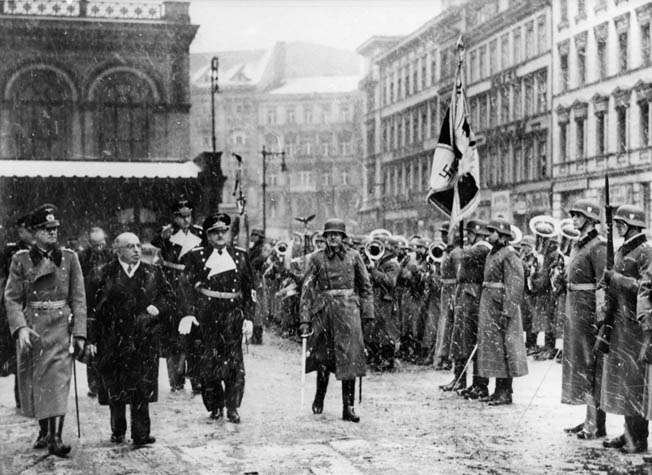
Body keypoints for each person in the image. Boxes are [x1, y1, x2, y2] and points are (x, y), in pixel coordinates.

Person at [4, 204, 86, 457]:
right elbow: (12, 298)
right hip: (34, 327)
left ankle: (56, 437)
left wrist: (80, 333)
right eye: (46, 229)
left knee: (59, 381)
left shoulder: (70, 258)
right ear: (34, 232)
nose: (53, 233)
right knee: (37, 381)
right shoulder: (21, 260)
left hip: (61, 325)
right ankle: (44, 429)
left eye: (55, 228)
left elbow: (79, 298)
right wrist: (20, 328)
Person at [87, 232, 173, 446]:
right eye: (130, 246)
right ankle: (118, 430)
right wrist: (92, 339)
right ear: (118, 250)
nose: (136, 250)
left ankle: (141, 433)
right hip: (113, 339)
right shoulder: (103, 274)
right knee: (115, 386)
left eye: (137, 246)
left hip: (144, 338)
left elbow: (170, 298)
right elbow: (91, 309)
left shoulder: (153, 272)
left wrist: (158, 307)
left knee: (142, 387)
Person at [178, 213, 254, 423]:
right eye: (215, 232)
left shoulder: (240, 256)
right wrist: (188, 313)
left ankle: (232, 407)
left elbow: (250, 289)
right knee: (208, 364)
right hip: (207, 316)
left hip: (232, 315)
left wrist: (249, 317)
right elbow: (185, 287)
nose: (220, 235)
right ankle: (215, 406)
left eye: (224, 231)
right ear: (208, 236)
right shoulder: (196, 256)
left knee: (234, 364)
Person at [299, 218, 373, 422]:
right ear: (325, 237)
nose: (333, 237)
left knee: (349, 360)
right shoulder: (316, 258)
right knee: (324, 359)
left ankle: (347, 407)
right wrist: (305, 320)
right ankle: (319, 396)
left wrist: (367, 314)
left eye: (337, 234)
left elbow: (366, 287)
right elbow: (306, 290)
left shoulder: (354, 257)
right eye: (330, 234)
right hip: (324, 313)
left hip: (349, 313)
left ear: (343, 237)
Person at [599, 205, 652, 453]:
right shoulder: (623, 250)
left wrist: (616, 279)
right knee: (623, 382)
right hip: (620, 325)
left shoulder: (645, 252)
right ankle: (628, 431)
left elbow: (644, 286)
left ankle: (638, 438)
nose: (617, 227)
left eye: (621, 223)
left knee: (634, 382)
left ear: (633, 225)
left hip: (636, 327)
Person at [561, 199, 607, 439]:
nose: (574, 219)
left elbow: (602, 282)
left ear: (590, 219)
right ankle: (588, 418)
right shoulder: (578, 244)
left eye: (578, 215)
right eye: (573, 215)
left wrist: (600, 315)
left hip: (588, 311)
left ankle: (596, 423)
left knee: (592, 366)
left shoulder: (597, 245)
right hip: (575, 310)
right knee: (581, 365)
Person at [152, 198, 204, 393]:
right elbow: (155, 242)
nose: (186, 220)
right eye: (182, 217)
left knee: (196, 335)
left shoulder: (199, 234)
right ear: (174, 218)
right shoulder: (167, 234)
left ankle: (197, 377)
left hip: (194, 287)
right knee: (175, 335)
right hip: (173, 285)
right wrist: (164, 236)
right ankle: (176, 378)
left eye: (189, 216)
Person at [476, 218, 527, 405]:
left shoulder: (509, 254)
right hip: (490, 307)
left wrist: (507, 311)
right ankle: (499, 390)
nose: (488, 235)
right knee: (494, 349)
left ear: (502, 235)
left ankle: (505, 391)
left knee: (506, 349)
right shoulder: (492, 253)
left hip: (502, 308)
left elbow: (515, 284)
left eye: (492, 232)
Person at [448, 219, 491, 398]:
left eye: (471, 233)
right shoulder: (474, 247)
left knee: (471, 340)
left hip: (473, 295)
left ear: (479, 234)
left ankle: (478, 382)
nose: (468, 236)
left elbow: (460, 256)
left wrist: (457, 246)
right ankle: (460, 378)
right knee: (460, 338)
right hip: (465, 293)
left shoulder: (482, 247)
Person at [0, 214, 33, 409]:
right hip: (16, 306)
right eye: (27, 230)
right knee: (18, 353)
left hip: (35, 306)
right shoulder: (12, 251)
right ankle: (22, 397)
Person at [78, 226, 113, 398]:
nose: (99, 247)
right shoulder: (82, 257)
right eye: (95, 245)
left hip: (106, 304)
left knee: (107, 344)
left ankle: (106, 382)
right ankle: (93, 385)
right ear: (90, 244)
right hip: (88, 302)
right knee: (90, 345)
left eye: (101, 244)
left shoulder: (111, 255)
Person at [248, 228, 266, 344]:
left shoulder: (260, 249)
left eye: (256, 235)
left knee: (257, 309)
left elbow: (257, 263)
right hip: (253, 279)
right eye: (253, 235)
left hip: (257, 280)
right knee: (255, 308)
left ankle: (257, 336)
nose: (253, 237)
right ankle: (255, 335)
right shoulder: (253, 248)